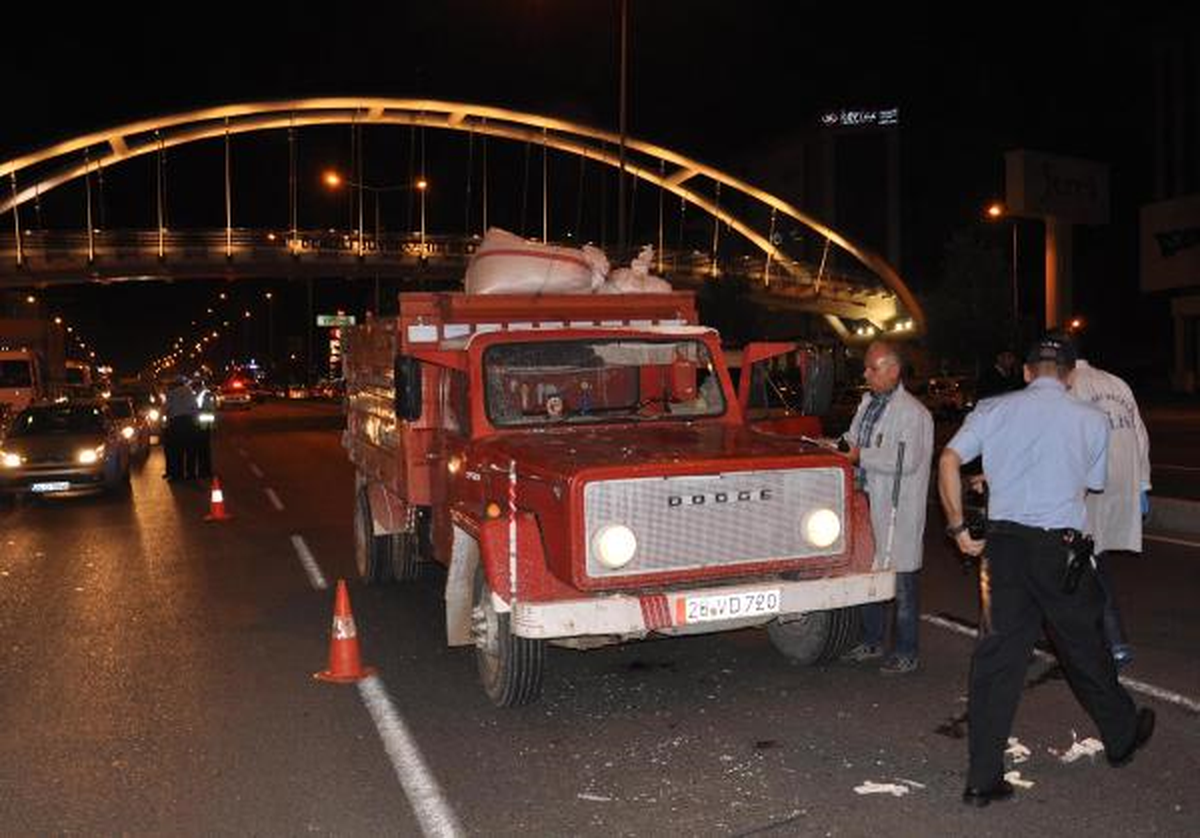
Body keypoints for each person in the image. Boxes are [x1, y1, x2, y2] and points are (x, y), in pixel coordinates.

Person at [938, 334, 1154, 808]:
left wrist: (958, 528)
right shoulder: (1091, 419)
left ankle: (982, 779)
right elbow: (1089, 484)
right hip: (1059, 550)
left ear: (1026, 372)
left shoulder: (993, 410)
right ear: (1071, 373)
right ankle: (1120, 737)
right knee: (1084, 648)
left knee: (997, 660)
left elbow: (949, 459)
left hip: (1005, 548)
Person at [839, 340, 934, 675]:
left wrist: (860, 456)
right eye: (866, 367)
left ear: (893, 370)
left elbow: (906, 461)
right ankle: (871, 640)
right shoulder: (868, 404)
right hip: (866, 502)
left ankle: (906, 650)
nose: (866, 373)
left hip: (898, 507)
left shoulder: (913, 413)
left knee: (903, 580)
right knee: (868, 572)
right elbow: (853, 440)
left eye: (872, 368)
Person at [1066, 334, 1151, 667]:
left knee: (1086, 563)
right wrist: (1142, 484)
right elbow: (1140, 435)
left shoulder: (1069, 388)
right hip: (1123, 481)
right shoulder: (1117, 383)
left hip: (1088, 488)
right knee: (1092, 561)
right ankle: (1110, 641)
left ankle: (1112, 642)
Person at [162, 375, 196, 481]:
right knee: (190, 450)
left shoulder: (171, 393)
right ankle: (191, 474)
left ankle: (178, 475)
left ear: (174, 384)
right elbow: (194, 407)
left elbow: (166, 408)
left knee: (177, 451)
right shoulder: (189, 392)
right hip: (188, 422)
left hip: (176, 423)